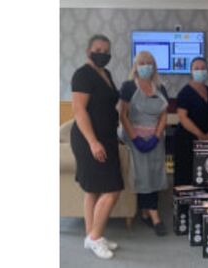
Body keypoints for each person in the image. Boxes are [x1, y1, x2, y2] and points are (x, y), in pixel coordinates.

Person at [70, 34, 123, 259]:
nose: (102, 53)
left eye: (106, 50)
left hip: (107, 138)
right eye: (98, 49)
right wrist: (93, 142)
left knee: (93, 189)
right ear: (88, 51)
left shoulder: (106, 73)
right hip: (90, 140)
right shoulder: (83, 75)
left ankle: (92, 235)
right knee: (113, 189)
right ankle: (94, 238)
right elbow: (79, 110)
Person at [118, 51, 169, 236]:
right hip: (134, 138)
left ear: (154, 66)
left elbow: (164, 115)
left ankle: (145, 211)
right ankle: (155, 217)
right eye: (142, 62)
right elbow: (122, 115)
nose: (146, 66)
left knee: (155, 172)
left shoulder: (160, 87)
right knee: (143, 174)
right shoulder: (128, 86)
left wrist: (156, 136)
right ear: (135, 66)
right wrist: (136, 138)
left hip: (155, 138)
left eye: (149, 63)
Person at [173, 57, 208, 186]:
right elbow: (182, 117)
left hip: (205, 139)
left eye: (203, 68)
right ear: (191, 71)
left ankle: (199, 204)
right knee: (185, 175)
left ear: (207, 71)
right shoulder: (185, 92)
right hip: (186, 140)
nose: (200, 71)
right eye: (196, 69)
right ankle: (183, 206)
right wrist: (200, 135)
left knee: (202, 173)